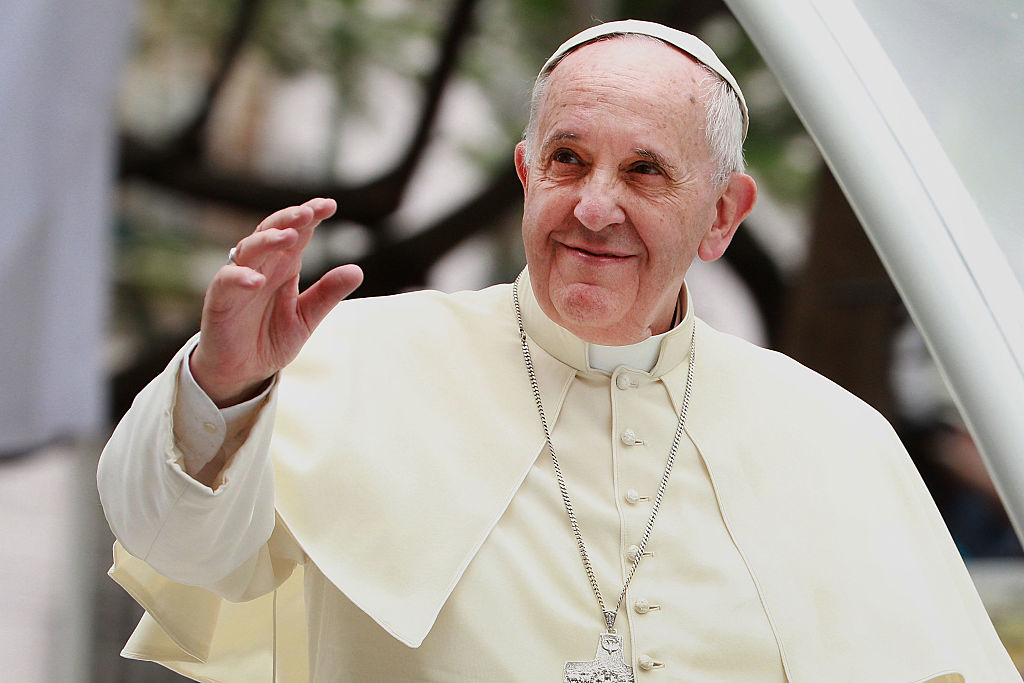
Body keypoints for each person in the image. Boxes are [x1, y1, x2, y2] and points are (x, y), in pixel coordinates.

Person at [97, 20, 1020, 682]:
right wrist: (221, 385)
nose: (594, 206)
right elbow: (174, 540)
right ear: (527, 173)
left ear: (724, 215)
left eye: (645, 170)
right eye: (569, 159)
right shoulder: (351, 358)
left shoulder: (835, 437)